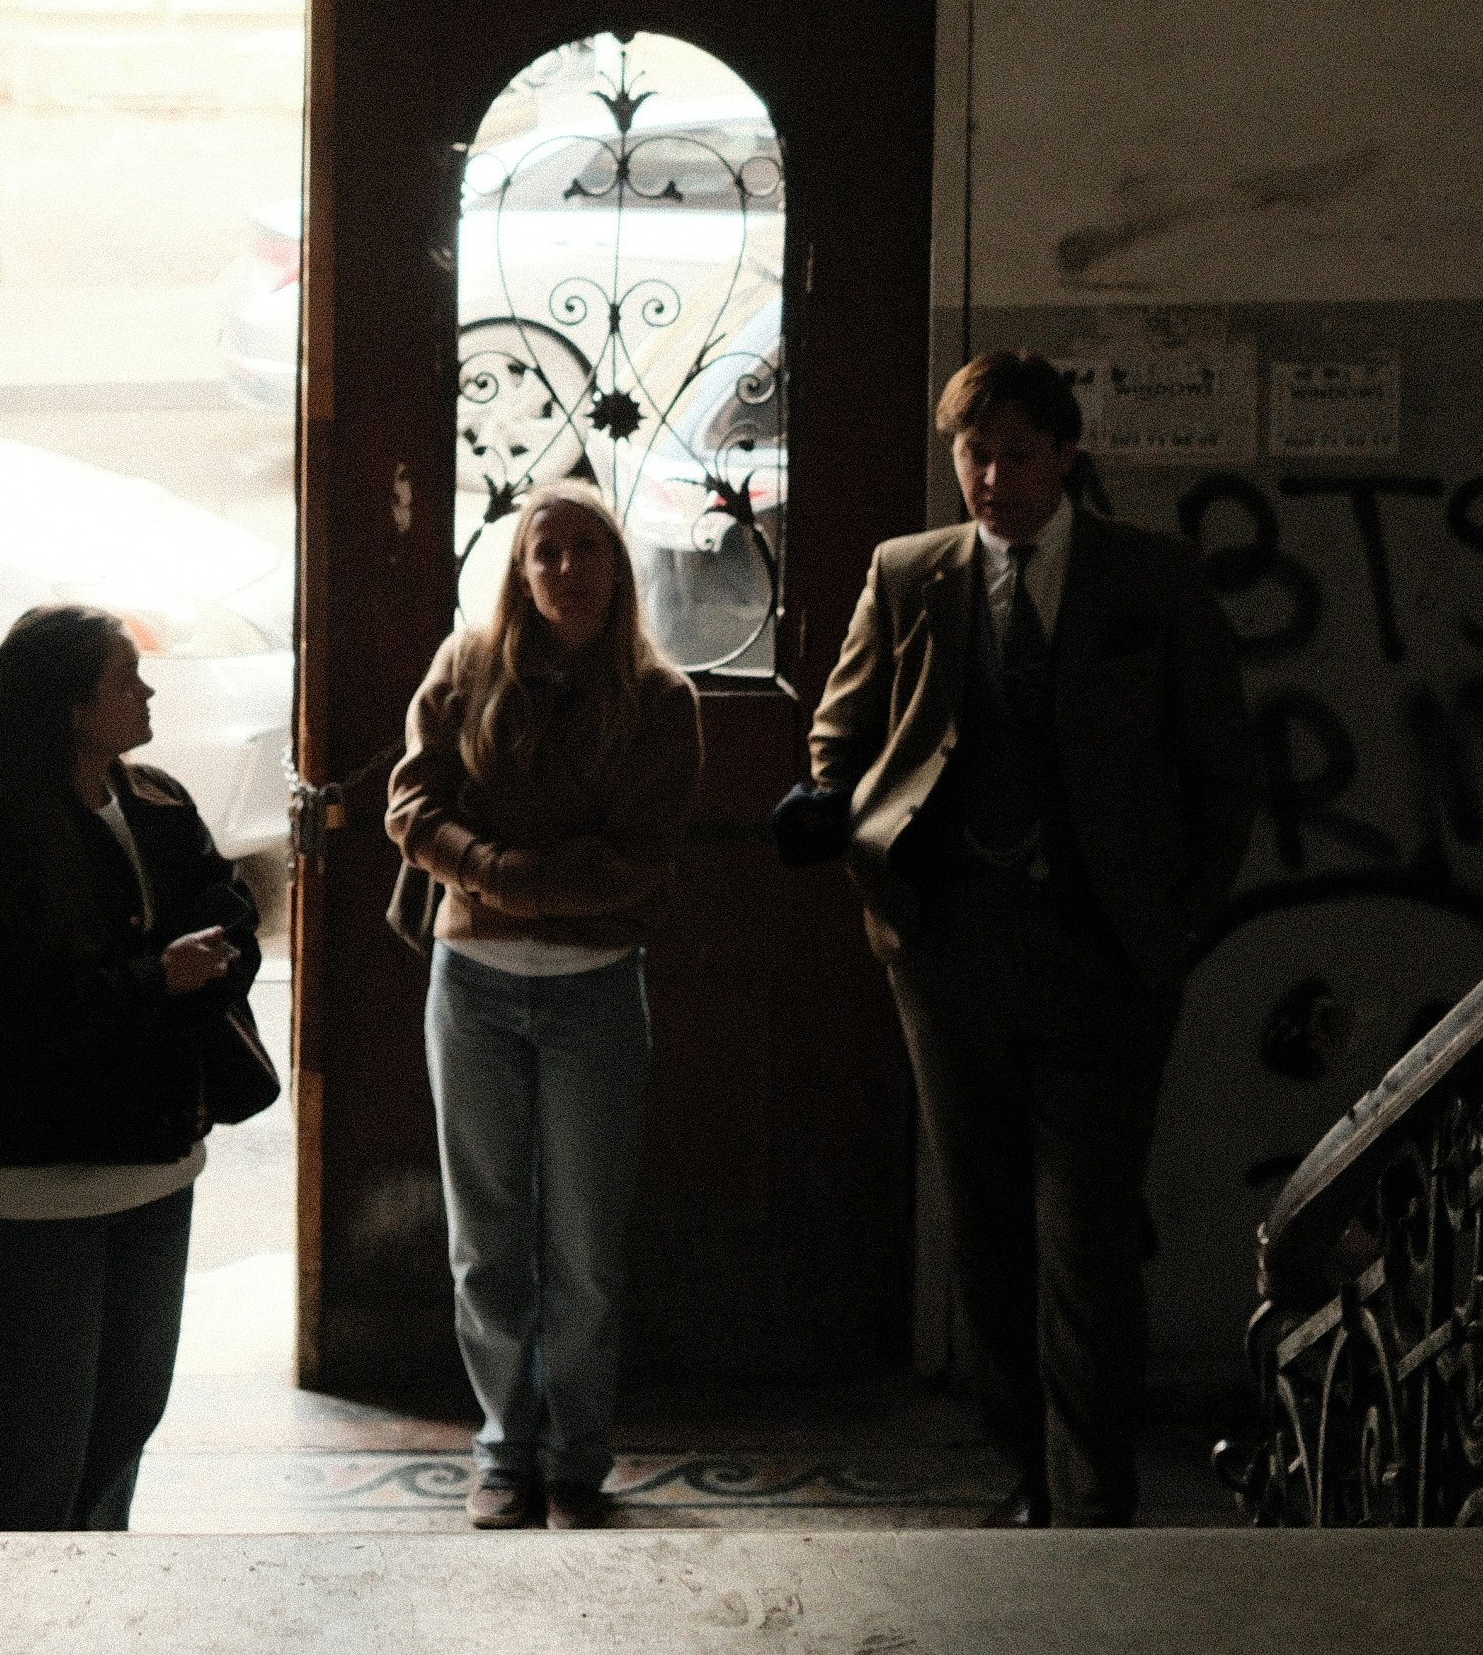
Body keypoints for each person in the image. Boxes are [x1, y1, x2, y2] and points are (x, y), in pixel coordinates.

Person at [772, 350, 1248, 1525]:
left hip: (1104, 960)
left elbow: (1221, 769)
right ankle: (1029, 1474)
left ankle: (1099, 1495)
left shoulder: (1152, 578)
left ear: (1068, 454)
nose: (992, 478)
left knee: (1084, 1233)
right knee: (984, 1231)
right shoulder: (911, 574)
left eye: (1017, 453)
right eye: (973, 456)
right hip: (948, 953)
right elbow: (841, 730)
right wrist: (843, 817)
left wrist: (1172, 921)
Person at [384, 480, 700, 1530]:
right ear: (520, 572)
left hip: (594, 998)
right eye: (546, 552)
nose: (567, 569)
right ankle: (503, 1449)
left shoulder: (659, 699)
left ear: (619, 566)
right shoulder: (467, 669)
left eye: (587, 550)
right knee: (487, 1240)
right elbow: (412, 804)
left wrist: (505, 881)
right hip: (471, 989)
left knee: (585, 1251)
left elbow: (639, 862)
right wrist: (501, 871)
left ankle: (578, 1458)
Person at [0, 598, 261, 1530]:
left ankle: (90, 1607)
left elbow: (227, 904)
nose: (147, 687)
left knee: (130, 1413)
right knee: (39, 1441)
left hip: (156, 1162)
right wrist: (155, 977)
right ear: (74, 707)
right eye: (126, 676)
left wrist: (184, 964)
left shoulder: (154, 798)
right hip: (42, 1181)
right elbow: (12, 1014)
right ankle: (11, 1627)